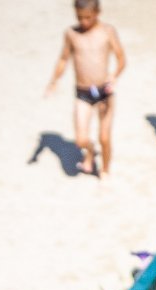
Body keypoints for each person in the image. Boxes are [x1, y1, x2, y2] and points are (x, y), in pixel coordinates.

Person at [45, 0, 128, 179]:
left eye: (88, 17)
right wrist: (54, 81)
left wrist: (114, 76)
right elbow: (63, 59)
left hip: (104, 91)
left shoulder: (107, 31)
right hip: (83, 93)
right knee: (80, 139)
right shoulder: (71, 34)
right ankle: (90, 151)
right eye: (79, 17)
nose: (84, 22)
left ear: (98, 12)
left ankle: (104, 171)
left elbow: (121, 58)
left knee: (104, 137)